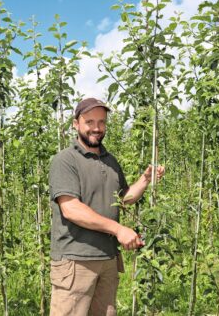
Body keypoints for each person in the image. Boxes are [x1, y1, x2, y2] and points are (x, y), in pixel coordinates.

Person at [48, 97, 165, 316]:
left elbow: (123, 199)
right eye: (89, 122)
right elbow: (71, 209)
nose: (96, 128)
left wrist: (145, 179)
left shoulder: (110, 161)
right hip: (76, 261)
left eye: (101, 122)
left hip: (108, 260)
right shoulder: (65, 160)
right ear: (76, 124)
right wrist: (119, 229)